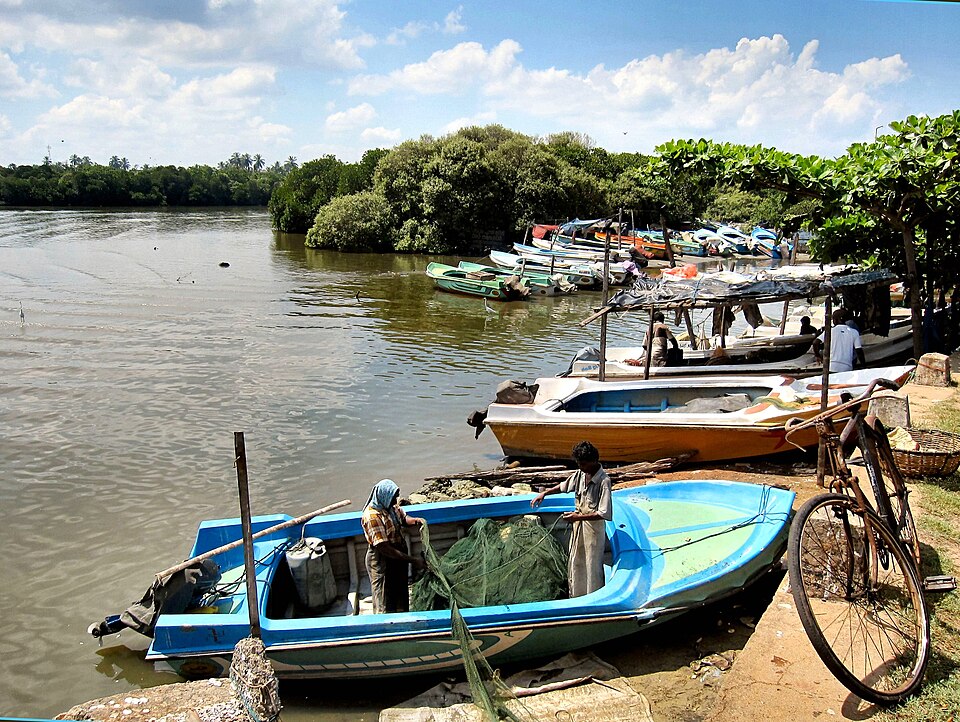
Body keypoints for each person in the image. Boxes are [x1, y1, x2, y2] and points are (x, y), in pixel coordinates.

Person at [530, 441, 612, 598]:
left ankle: (594, 598)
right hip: (578, 527)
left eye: (584, 464)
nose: (581, 467)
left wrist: (578, 517)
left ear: (594, 461)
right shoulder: (580, 474)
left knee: (592, 564)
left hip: (593, 530)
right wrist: (544, 493)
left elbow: (604, 513)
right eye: (579, 464)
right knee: (576, 561)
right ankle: (576, 596)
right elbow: (563, 486)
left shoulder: (604, 481)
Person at [361, 479, 426, 614]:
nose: (396, 500)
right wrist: (413, 560)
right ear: (384, 496)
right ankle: (385, 626)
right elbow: (384, 549)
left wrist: (415, 521)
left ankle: (402, 616)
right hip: (382, 559)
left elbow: (403, 518)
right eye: (393, 496)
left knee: (400, 590)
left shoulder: (391, 507)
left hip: (398, 557)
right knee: (384, 595)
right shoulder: (372, 516)